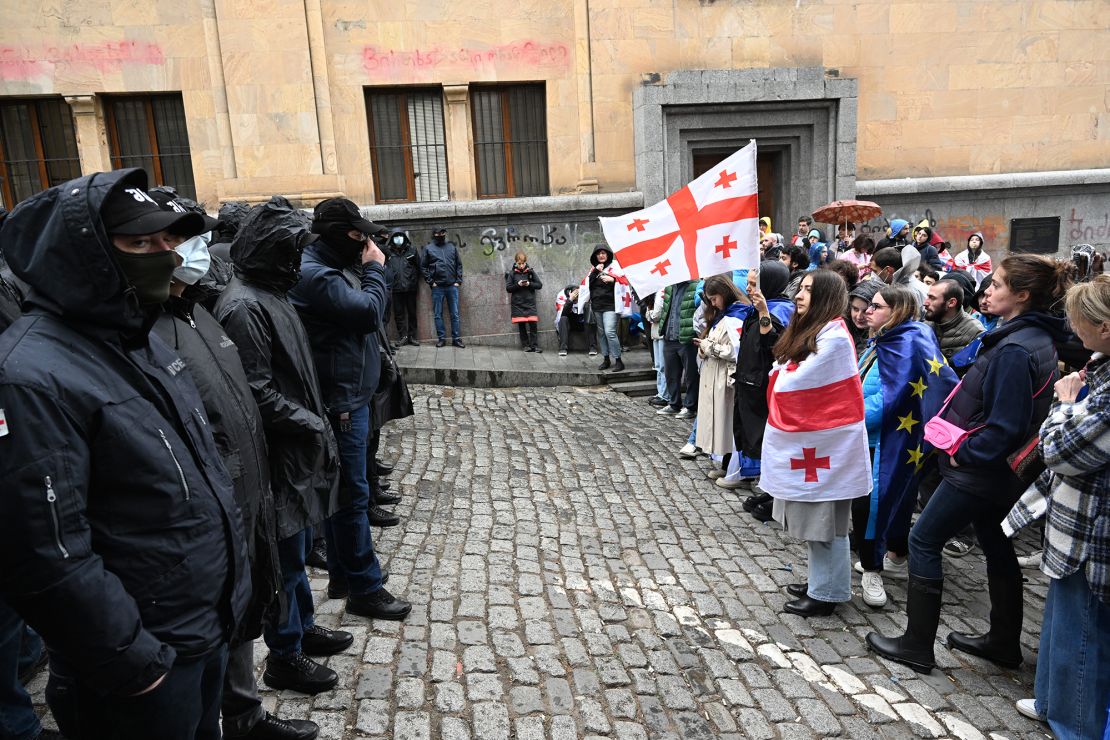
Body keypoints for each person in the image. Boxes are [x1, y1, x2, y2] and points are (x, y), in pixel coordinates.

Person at [0, 169, 250, 739]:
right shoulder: (29, 376)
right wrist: (134, 664)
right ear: (82, 258)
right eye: (140, 244)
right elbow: (46, 553)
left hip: (196, 635)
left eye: (168, 241)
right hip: (142, 667)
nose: (164, 256)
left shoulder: (141, 340)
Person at [150, 198, 315, 740]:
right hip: (209, 508)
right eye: (176, 239)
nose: (194, 249)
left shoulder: (197, 312)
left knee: (243, 612)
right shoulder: (150, 329)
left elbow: (236, 400)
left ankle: (243, 717)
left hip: (247, 490)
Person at [866, 255, 1073, 673]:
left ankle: (916, 644)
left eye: (996, 285)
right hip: (996, 473)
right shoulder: (1026, 336)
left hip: (980, 471)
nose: (987, 290)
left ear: (1023, 295)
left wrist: (963, 452)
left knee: (923, 540)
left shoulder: (1016, 348)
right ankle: (1002, 641)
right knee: (997, 546)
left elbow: (1006, 426)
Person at [214, 199, 346, 696]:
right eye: (291, 250)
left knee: (297, 547)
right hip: (274, 453)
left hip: (293, 447)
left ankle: (301, 629)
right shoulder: (244, 305)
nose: (297, 261)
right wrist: (310, 422)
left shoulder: (271, 293)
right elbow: (256, 392)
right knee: (284, 555)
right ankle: (285, 653)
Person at [288, 198, 412, 620]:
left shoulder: (335, 265)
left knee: (345, 494)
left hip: (351, 393)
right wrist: (376, 269)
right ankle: (364, 586)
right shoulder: (316, 272)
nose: (366, 241)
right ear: (337, 234)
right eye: (358, 234)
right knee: (352, 495)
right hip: (340, 399)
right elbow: (367, 313)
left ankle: (344, 574)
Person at [1004, 276, 1110, 739]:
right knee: (1063, 622)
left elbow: (1060, 451)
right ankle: (1052, 701)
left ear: (1104, 327)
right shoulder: (1100, 363)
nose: (1071, 324)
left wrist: (1064, 404)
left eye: (1079, 317)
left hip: (1093, 532)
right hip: (1075, 523)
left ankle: (1075, 726)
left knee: (1083, 632)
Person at [761, 271, 872, 617]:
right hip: (819, 443)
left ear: (825, 295)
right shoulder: (819, 331)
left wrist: (779, 375)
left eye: (809, 290)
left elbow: (794, 384)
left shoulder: (835, 338)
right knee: (818, 523)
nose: (799, 295)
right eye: (800, 288)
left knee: (826, 523)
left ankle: (826, 593)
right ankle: (819, 581)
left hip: (827, 446)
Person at [854, 287, 957, 608]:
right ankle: (893, 556)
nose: (867, 311)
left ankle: (872, 569)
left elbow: (891, 397)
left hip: (888, 439)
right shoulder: (884, 340)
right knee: (893, 499)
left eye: (876, 306)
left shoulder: (906, 342)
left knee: (874, 503)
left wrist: (846, 416)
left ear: (897, 311)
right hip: (876, 437)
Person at [734, 262, 795, 515]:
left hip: (766, 385)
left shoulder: (782, 309)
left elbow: (773, 343)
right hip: (750, 381)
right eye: (748, 283)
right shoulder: (757, 306)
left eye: (753, 284)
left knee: (769, 440)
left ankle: (776, 497)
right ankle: (769, 491)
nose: (748, 289)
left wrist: (763, 310)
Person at [694, 276, 749, 460]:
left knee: (726, 423)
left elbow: (737, 350)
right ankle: (724, 461)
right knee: (719, 422)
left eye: (714, 298)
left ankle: (730, 465)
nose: (713, 303)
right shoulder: (722, 314)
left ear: (724, 294)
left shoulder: (738, 315)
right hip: (714, 374)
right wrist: (704, 347)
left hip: (724, 377)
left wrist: (709, 347)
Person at [577, 245, 629, 371]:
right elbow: (587, 285)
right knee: (601, 333)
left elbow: (625, 281)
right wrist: (595, 272)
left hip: (611, 305)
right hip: (597, 306)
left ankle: (618, 360)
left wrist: (613, 279)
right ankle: (606, 359)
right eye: (598, 253)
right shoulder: (593, 270)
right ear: (595, 256)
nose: (601, 255)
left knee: (609, 332)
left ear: (608, 255)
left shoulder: (615, 267)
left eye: (603, 253)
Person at [656, 279, 699, 417]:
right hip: (669, 336)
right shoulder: (669, 285)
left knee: (691, 375)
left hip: (687, 337)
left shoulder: (695, 285)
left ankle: (690, 406)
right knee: (671, 374)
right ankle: (674, 403)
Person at [421, 226, 464, 348]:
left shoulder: (451, 247)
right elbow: (423, 267)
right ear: (434, 234)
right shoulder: (428, 249)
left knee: (454, 314)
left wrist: (458, 281)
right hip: (437, 287)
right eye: (438, 233)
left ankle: (456, 339)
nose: (441, 235)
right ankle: (442, 339)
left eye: (443, 232)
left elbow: (459, 265)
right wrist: (431, 282)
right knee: (438, 314)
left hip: (452, 286)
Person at [924, 279, 984, 363]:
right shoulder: (925, 326)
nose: (925, 303)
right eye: (927, 297)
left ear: (951, 302)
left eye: (932, 298)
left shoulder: (975, 333)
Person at [384, 230, 420, 346]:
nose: (398, 239)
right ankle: (403, 337)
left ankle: (412, 337)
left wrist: (413, 279)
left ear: (404, 238)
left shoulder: (412, 250)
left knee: (412, 313)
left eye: (400, 236)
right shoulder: (388, 252)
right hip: (396, 288)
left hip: (410, 288)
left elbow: (419, 266)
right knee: (399, 314)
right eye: (396, 237)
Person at [506, 251, 544, 352]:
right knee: (522, 325)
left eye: (523, 263)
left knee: (533, 325)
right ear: (516, 262)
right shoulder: (512, 273)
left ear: (525, 262)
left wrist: (529, 284)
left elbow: (539, 285)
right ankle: (526, 345)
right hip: (518, 304)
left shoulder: (530, 272)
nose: (522, 265)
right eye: (519, 263)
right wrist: (518, 284)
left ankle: (534, 346)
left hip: (530, 304)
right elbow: (508, 288)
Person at [846, 280, 880, 356]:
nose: (859, 317)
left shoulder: (882, 339)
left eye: (865, 311)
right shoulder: (842, 327)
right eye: (855, 309)